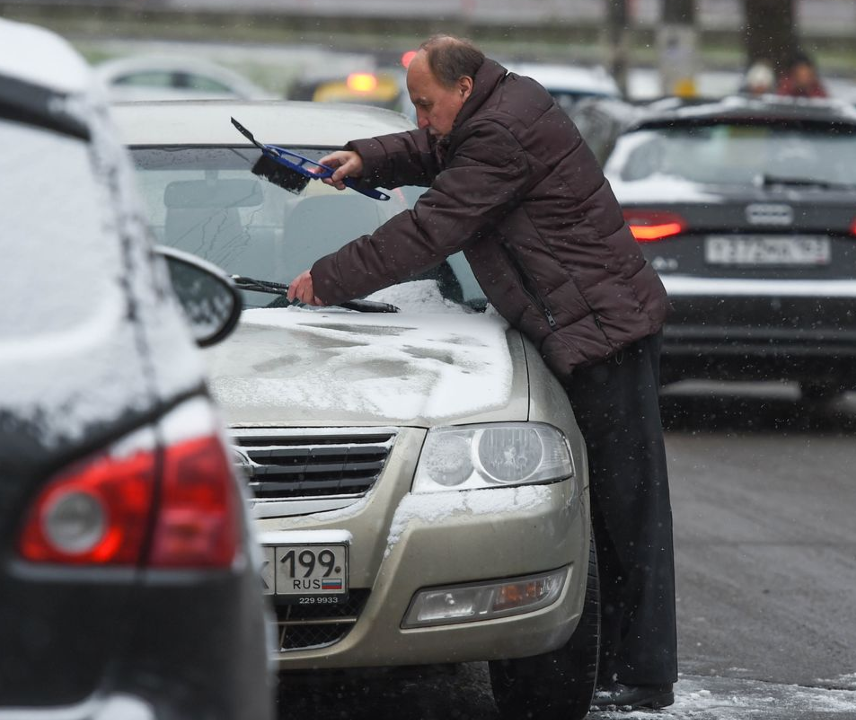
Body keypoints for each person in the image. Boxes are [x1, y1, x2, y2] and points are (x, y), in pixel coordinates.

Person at [287, 35, 677, 711]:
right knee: (607, 506)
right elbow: (433, 149)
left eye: (426, 103)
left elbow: (431, 229)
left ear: (463, 89)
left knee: (626, 510)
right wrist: (366, 156)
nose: (419, 118)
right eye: (413, 104)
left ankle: (641, 674)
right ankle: (620, 663)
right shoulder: (495, 107)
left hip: (604, 332)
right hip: (586, 324)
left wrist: (327, 278)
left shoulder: (499, 134)